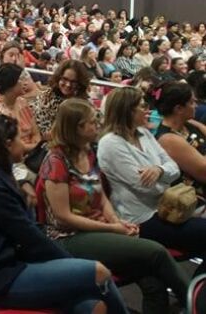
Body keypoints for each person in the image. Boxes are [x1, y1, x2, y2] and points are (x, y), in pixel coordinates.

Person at [0, 115, 127, 313]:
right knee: (99, 272)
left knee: (93, 307)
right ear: (7, 144)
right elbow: (30, 238)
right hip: (1, 276)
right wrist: (69, 262)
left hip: (10, 262)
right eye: (21, 139)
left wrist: (24, 184)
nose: (25, 145)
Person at [40, 99, 189, 314]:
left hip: (99, 229)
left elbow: (102, 199)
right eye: (92, 122)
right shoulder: (56, 161)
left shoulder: (88, 153)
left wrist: (118, 222)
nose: (98, 125)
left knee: (153, 283)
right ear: (77, 128)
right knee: (156, 251)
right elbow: (64, 217)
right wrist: (113, 229)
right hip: (69, 237)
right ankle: (195, 303)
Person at [98, 86, 206, 277]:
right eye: (142, 106)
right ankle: (196, 297)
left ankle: (196, 294)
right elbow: (146, 188)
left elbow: (172, 167)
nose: (148, 110)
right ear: (127, 110)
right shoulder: (110, 144)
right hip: (141, 219)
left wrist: (159, 170)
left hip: (167, 208)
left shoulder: (144, 133)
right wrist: (165, 177)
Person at [153, 81, 206, 195]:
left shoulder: (188, 123)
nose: (196, 106)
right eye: (192, 102)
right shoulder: (168, 139)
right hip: (193, 200)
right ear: (179, 109)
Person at [33, 60, 91, 141]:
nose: (68, 85)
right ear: (58, 78)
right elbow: (39, 129)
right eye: (64, 79)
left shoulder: (84, 104)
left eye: (73, 82)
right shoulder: (45, 98)